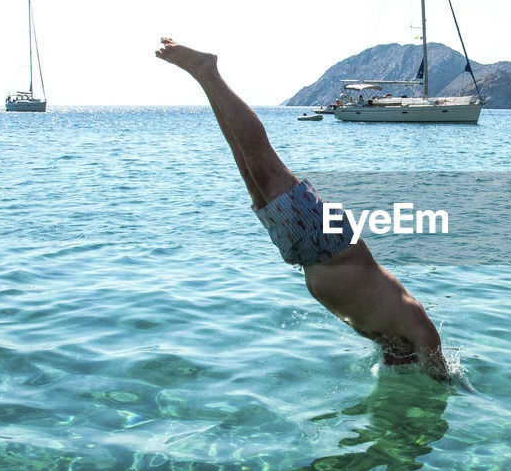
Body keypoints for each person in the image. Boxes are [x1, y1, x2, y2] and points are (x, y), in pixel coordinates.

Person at [154, 38, 449, 380]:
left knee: (248, 168)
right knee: (262, 163)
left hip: (308, 252)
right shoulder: (419, 328)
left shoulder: (389, 340)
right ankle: (209, 72)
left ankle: (204, 78)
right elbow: (444, 378)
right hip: (328, 245)